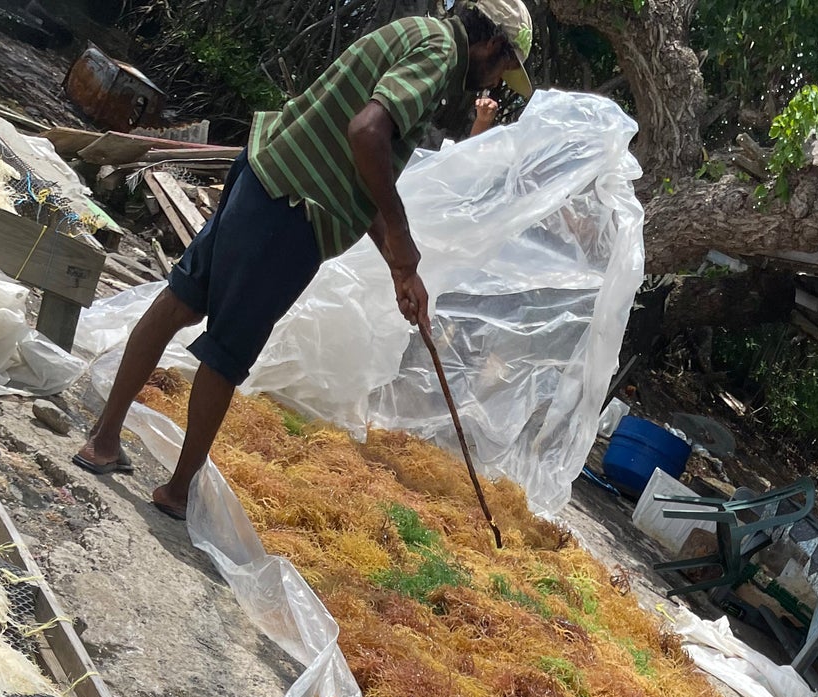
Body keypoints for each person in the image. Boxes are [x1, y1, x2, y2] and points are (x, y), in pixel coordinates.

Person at [74, 0, 533, 518]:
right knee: (228, 351)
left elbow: (354, 169)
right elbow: (366, 134)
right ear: (492, 44)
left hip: (267, 170)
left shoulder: (417, 32)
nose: (492, 84)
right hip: (292, 210)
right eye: (500, 69)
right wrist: (403, 237)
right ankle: (178, 491)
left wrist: (400, 267)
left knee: (183, 298)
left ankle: (105, 438)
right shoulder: (438, 58)